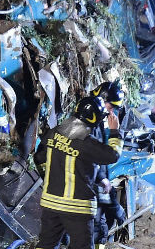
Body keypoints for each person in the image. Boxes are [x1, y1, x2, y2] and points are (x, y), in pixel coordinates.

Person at [34, 96, 123, 249]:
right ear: (94, 119)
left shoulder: (53, 133)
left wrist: (50, 180)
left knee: (46, 245)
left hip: (51, 203)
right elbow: (112, 154)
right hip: (77, 207)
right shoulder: (87, 143)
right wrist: (115, 131)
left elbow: (39, 158)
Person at [91, 81, 127, 248]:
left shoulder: (93, 122)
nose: (112, 111)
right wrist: (114, 132)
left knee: (101, 229)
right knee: (97, 231)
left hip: (91, 192)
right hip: (85, 197)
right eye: (111, 106)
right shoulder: (89, 126)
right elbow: (107, 158)